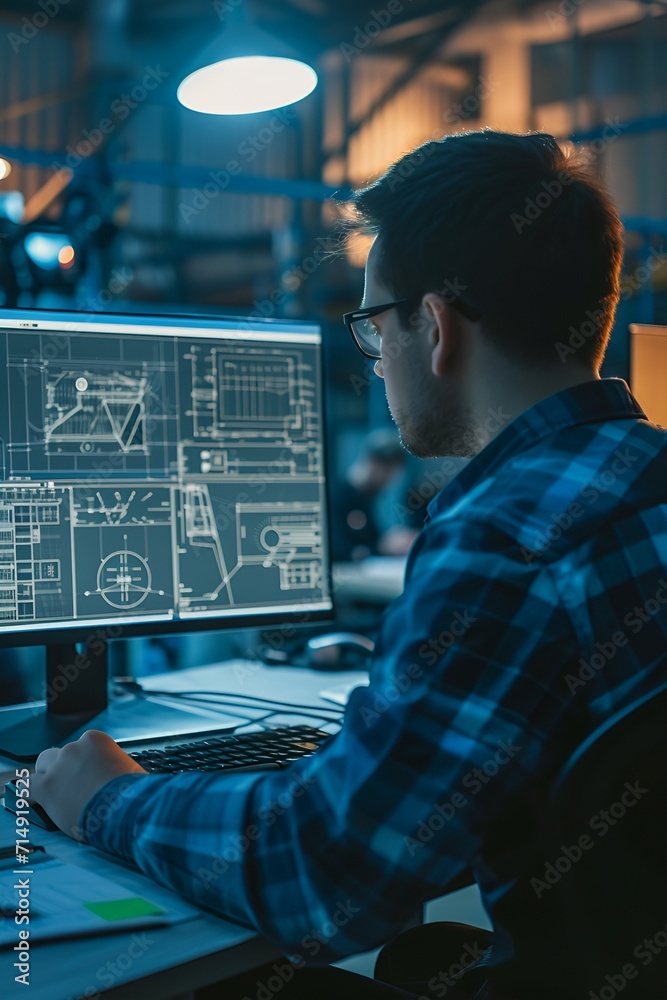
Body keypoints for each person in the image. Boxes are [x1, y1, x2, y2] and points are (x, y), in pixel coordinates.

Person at [29, 130, 667, 999]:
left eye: (374, 326)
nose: (375, 365)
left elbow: (324, 879)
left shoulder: (503, 537)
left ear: (434, 326)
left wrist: (104, 797)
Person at [329, 428, 411, 562]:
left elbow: (372, 540)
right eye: (388, 475)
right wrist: (382, 547)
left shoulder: (366, 497)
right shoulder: (336, 497)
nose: (389, 483)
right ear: (374, 463)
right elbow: (339, 551)